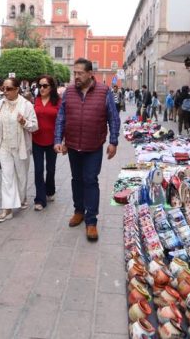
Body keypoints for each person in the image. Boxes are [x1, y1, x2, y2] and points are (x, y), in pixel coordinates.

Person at [55, 58, 120, 242]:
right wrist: (58, 139)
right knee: (77, 180)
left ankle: (91, 221)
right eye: (74, 73)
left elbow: (113, 118)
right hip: (74, 145)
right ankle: (78, 211)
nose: (76, 76)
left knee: (90, 180)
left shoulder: (104, 91)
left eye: (79, 73)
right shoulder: (69, 92)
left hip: (93, 146)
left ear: (91, 74)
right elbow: (61, 117)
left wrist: (113, 141)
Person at [0, 78, 38, 222]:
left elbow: (34, 126)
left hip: (21, 146)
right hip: (4, 146)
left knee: (21, 176)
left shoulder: (26, 105)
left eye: (8, 89)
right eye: (3, 88)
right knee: (7, 177)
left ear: (17, 89)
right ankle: (7, 209)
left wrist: (24, 122)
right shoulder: (0, 103)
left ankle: (22, 198)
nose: (5, 92)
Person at [33, 75, 60, 210]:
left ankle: (50, 190)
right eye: (40, 86)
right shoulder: (35, 100)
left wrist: (61, 139)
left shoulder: (57, 101)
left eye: (45, 86)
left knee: (51, 169)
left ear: (51, 87)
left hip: (52, 141)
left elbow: (61, 121)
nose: (42, 88)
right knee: (38, 170)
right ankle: (40, 199)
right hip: (36, 139)